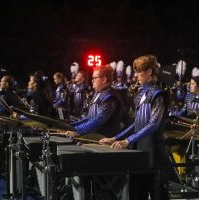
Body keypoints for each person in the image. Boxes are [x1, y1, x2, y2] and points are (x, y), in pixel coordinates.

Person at [100, 55, 169, 200]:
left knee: (158, 195)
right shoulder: (142, 93)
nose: (136, 76)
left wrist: (127, 141)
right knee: (136, 193)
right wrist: (115, 138)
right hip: (138, 151)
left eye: (139, 72)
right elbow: (136, 123)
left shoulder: (158, 94)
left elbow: (153, 124)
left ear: (149, 71)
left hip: (153, 152)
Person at [66, 65, 128, 200]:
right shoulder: (98, 94)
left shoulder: (110, 97)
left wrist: (76, 131)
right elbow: (89, 118)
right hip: (95, 140)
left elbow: (99, 121)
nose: (92, 81)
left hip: (106, 141)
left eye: (94, 78)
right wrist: (69, 126)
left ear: (104, 79)